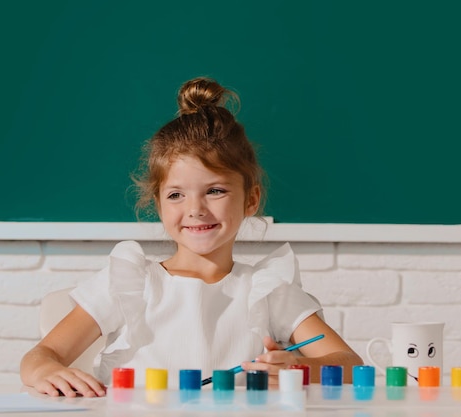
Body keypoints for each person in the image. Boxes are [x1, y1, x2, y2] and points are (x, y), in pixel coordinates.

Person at [20, 77, 363, 397]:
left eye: (214, 190)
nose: (195, 209)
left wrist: (301, 367)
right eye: (176, 195)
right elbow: (42, 355)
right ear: (158, 204)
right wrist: (44, 369)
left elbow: (349, 363)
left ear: (251, 199)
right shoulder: (129, 282)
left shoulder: (268, 289)